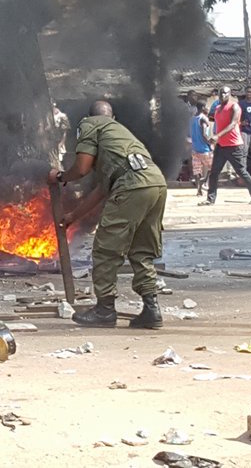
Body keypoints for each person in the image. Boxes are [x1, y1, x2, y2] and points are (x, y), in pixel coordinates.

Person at [47, 100, 167, 329]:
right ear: (113, 117)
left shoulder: (91, 124)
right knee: (141, 250)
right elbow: (103, 189)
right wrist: (73, 216)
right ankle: (152, 310)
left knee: (105, 249)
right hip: (155, 183)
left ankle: (104, 310)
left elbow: (81, 168)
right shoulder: (120, 134)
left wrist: (61, 177)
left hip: (131, 184)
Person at [200, 87, 251, 205]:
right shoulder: (217, 108)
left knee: (241, 171)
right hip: (221, 145)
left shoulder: (234, 106)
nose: (223, 95)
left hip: (234, 145)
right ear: (218, 94)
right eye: (221, 93)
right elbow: (216, 123)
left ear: (229, 95)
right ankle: (210, 199)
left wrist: (218, 135)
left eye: (226, 93)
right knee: (214, 172)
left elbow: (233, 124)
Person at [189, 101, 213, 196]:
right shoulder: (203, 119)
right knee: (212, 167)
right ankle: (205, 180)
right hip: (204, 149)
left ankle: (199, 190)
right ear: (203, 108)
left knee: (197, 170)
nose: (207, 108)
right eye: (206, 107)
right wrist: (210, 143)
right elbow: (204, 134)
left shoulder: (192, 119)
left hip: (195, 148)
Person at [52, 102, 70, 168]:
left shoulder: (62, 116)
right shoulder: (46, 116)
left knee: (60, 160)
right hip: (50, 142)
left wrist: (61, 143)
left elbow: (64, 132)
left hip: (59, 141)